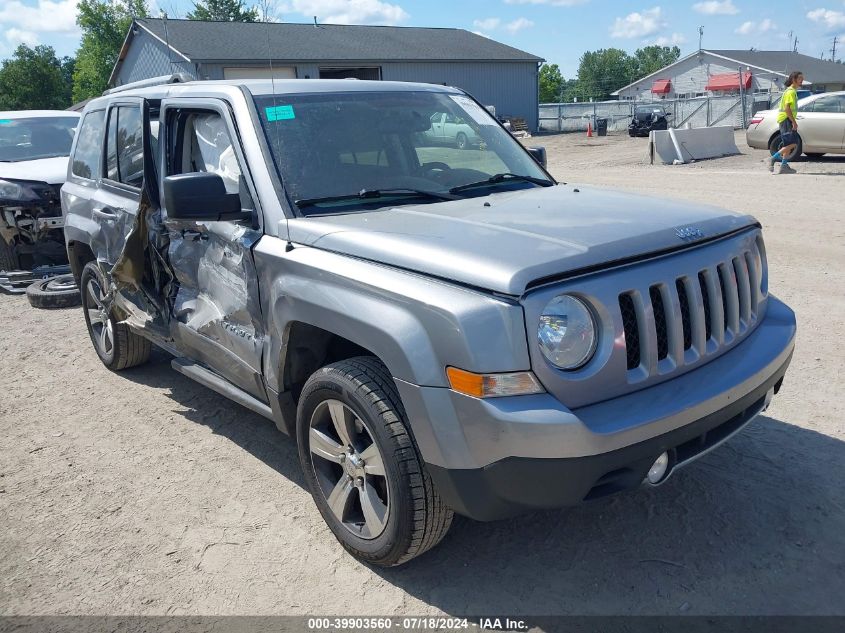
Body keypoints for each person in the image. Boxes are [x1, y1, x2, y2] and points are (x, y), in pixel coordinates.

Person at [766, 71, 803, 174]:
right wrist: (794, 122)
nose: (802, 81)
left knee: (787, 144)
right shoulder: (791, 92)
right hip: (786, 120)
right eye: (800, 79)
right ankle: (772, 159)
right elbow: (787, 109)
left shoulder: (790, 91)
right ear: (793, 80)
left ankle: (784, 166)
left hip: (785, 120)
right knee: (793, 144)